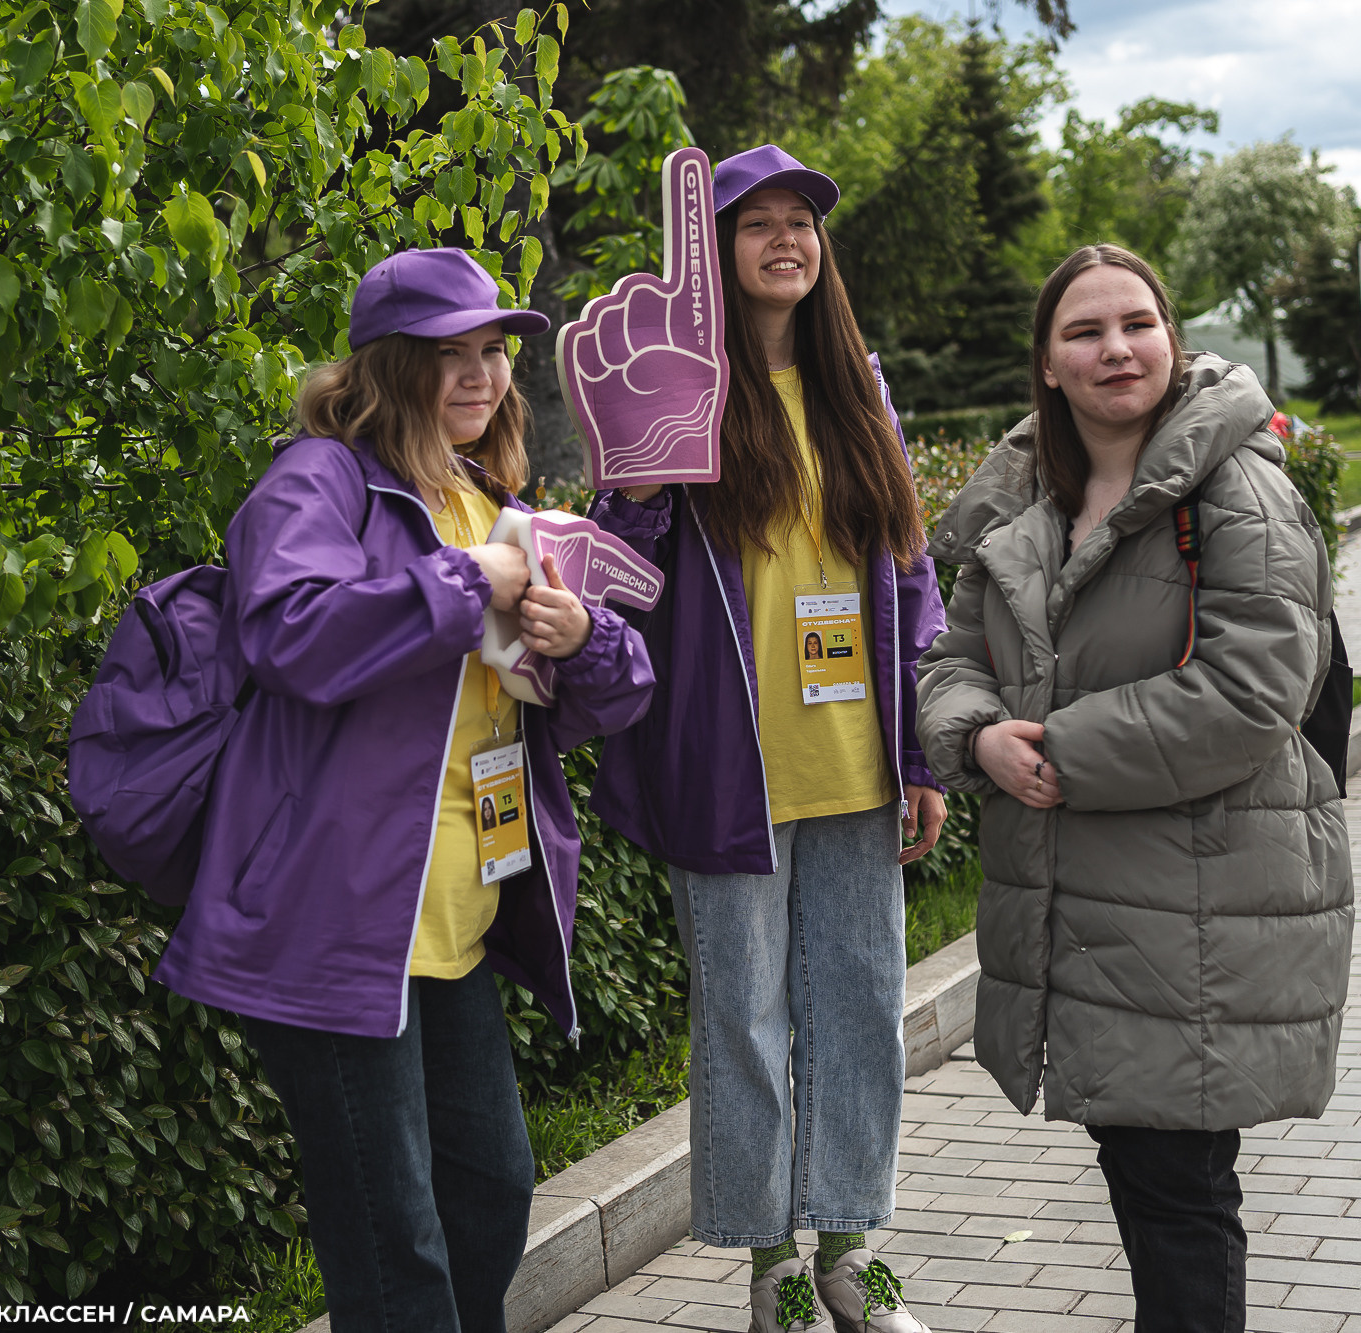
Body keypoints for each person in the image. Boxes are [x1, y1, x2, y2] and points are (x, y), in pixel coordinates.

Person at [151, 248, 655, 1333]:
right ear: (390, 366)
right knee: (394, 1239)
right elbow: (292, 633)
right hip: (334, 920)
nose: (481, 376)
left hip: (453, 920)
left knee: (489, 1191)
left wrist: (584, 639)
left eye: (492, 353)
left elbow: (595, 697)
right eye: (450, 354)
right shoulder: (319, 479)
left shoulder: (490, 498)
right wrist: (471, 582)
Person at [915, 244, 1353, 1333]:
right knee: (1149, 1175)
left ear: (1171, 339)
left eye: (1135, 324)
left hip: (1199, 901)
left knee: (1176, 1191)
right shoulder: (1019, 495)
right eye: (1083, 332)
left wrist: (1054, 747)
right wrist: (974, 741)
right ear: (1048, 366)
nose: (1115, 348)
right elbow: (951, 654)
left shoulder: (1235, 490)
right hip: (1094, 907)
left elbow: (1253, 693)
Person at [588, 144, 948, 1333]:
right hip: (730, 762)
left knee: (858, 1006)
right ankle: (770, 1271)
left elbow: (909, 571)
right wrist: (636, 469)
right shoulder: (681, 387)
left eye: (802, 222)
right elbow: (621, 566)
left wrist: (919, 751)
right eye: (758, 225)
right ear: (715, 250)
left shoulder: (858, 385)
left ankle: (852, 1251)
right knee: (740, 1019)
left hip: (851, 758)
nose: (785, 240)